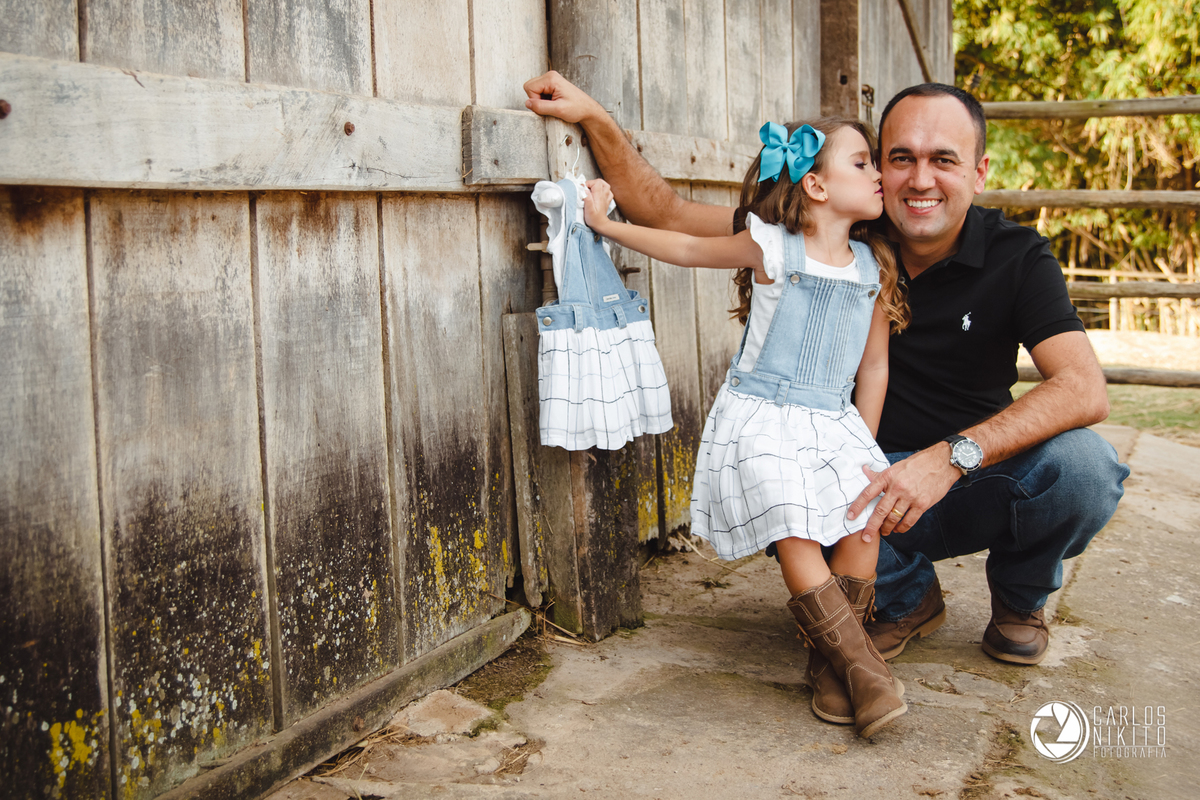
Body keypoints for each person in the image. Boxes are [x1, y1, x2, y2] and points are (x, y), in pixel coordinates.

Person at [523, 71, 1128, 667]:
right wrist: (594, 118)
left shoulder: (1018, 256)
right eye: (898, 158)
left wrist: (949, 458)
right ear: (875, 169)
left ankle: (1020, 600)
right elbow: (672, 216)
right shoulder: (831, 232)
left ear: (979, 171)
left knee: (1086, 469)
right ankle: (905, 599)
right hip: (853, 475)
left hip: (968, 474)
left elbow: (1083, 389)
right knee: (782, 479)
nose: (920, 180)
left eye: (943, 159)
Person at [581, 117, 910, 737]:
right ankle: (865, 668)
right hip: (763, 415)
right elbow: (684, 247)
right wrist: (605, 224)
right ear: (815, 186)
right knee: (793, 523)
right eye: (863, 162)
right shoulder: (770, 248)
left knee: (866, 522)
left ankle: (830, 663)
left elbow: (873, 367)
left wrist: (865, 448)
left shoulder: (873, 265)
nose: (878, 174)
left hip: (835, 419)